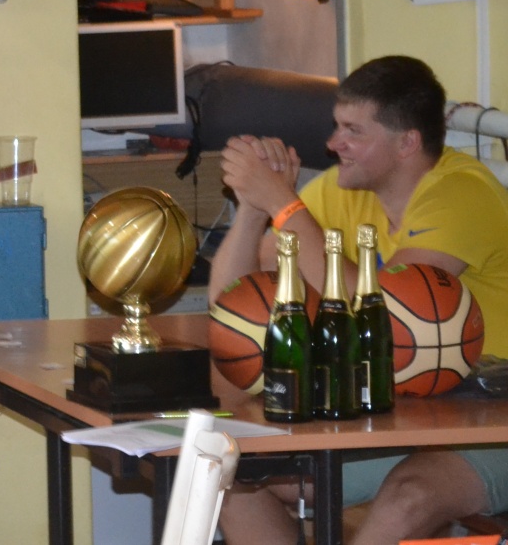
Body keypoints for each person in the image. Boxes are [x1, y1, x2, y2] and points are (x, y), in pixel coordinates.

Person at [209, 55, 508, 545]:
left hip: (491, 413)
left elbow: (391, 319)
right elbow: (234, 302)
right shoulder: (345, 188)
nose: (333, 144)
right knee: (238, 474)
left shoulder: (463, 193)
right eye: (336, 126)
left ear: (406, 142)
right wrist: (252, 208)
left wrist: (283, 203)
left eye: (353, 131)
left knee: (411, 494)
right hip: (403, 411)